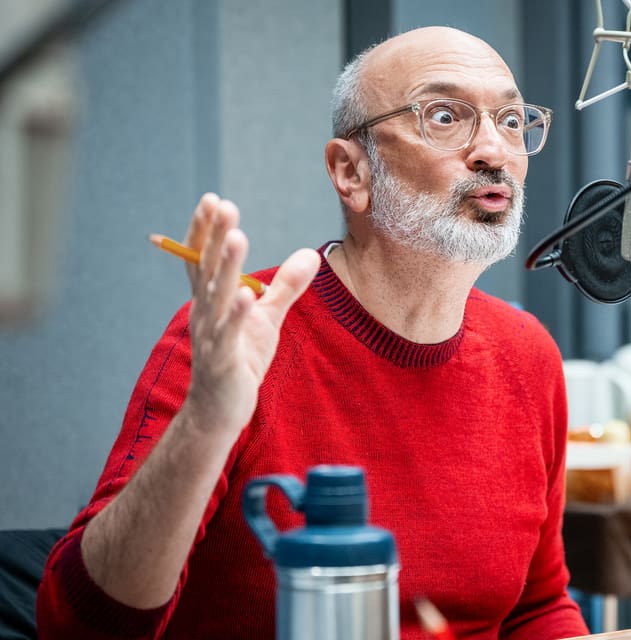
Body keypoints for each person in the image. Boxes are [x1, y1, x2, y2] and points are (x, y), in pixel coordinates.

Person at [37, 26, 589, 640]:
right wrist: (208, 421)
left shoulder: (527, 354)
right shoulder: (240, 333)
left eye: (511, 121)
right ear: (350, 172)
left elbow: (537, 609)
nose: (493, 150)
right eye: (444, 115)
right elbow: (75, 627)